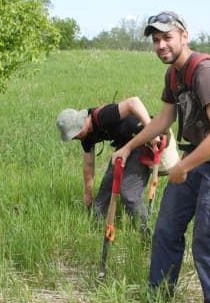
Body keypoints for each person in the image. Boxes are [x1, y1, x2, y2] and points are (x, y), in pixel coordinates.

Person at [112, 11, 210, 303]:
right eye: (156, 40)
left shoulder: (204, 71)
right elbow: (163, 120)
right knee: (166, 230)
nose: (161, 45)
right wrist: (128, 147)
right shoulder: (173, 75)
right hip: (195, 157)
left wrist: (182, 166)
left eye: (167, 37)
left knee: (206, 242)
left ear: (185, 36)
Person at [56, 96, 155, 233]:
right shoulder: (86, 138)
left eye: (74, 135)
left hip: (144, 141)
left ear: (81, 123)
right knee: (104, 191)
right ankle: (95, 230)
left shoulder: (103, 116)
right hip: (124, 146)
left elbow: (134, 102)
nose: (74, 138)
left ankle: (147, 235)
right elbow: (88, 165)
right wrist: (88, 193)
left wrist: (152, 131)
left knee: (129, 194)